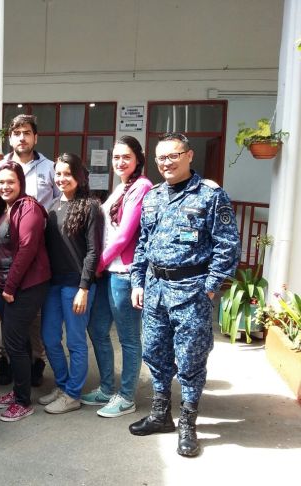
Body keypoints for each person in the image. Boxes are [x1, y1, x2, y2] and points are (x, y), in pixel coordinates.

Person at [129, 132, 240, 457]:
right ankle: (160, 414)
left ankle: (188, 424)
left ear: (189, 156)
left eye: (173, 156)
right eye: (161, 157)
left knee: (191, 357)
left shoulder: (210, 195)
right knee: (155, 353)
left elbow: (227, 244)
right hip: (155, 289)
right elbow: (143, 243)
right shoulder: (153, 197)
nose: (166, 162)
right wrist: (138, 281)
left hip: (191, 290)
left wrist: (211, 286)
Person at [82, 136, 153, 418]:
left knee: (129, 338)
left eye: (126, 157)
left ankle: (126, 397)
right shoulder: (122, 186)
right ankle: (107, 388)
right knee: (97, 329)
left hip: (123, 273)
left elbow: (124, 236)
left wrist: (96, 265)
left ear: (138, 159)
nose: (120, 162)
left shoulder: (142, 187)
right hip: (107, 272)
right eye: (116, 157)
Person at [0, 114, 60, 387]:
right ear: (10, 138)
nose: (22, 137)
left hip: (37, 249)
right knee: (9, 315)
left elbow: (59, 203)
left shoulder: (50, 168)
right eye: (17, 133)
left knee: (33, 315)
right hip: (5, 249)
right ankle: (6, 359)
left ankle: (35, 361)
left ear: (35, 137)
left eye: (27, 132)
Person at [0, 162, 50, 422]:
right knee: (18, 342)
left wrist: (10, 286)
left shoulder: (29, 208)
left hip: (24, 286)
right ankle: (17, 392)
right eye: (1, 182)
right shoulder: (6, 208)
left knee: (14, 343)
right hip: (6, 285)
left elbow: (26, 249)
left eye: (10, 181)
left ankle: (23, 401)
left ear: (20, 183)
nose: (5, 186)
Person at [40, 153, 101, 414]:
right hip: (53, 285)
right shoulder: (53, 206)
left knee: (75, 342)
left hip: (77, 286)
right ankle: (63, 384)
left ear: (79, 176)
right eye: (58, 173)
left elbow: (93, 251)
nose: (62, 178)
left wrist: (84, 288)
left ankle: (73, 394)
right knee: (49, 338)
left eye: (68, 173)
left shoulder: (90, 206)